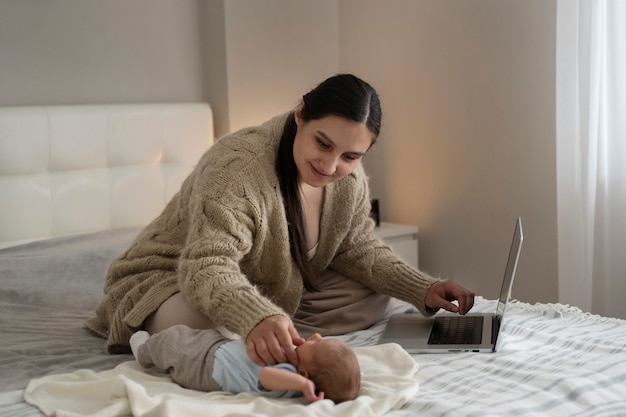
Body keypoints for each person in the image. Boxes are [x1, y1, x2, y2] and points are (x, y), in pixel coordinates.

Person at [85, 73, 475, 366]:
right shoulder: (236, 169)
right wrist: (256, 314)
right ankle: (260, 321)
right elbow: (206, 266)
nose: (331, 165)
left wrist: (424, 288)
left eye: (350, 156)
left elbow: (356, 247)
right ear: (301, 114)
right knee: (199, 323)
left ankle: (267, 324)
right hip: (173, 274)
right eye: (323, 143)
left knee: (376, 293)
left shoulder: (347, 177)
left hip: (269, 277)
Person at [129, 326, 360, 403]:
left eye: (315, 345)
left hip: (203, 365)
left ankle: (143, 351)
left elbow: (266, 375)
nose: (316, 336)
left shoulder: (289, 380)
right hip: (216, 349)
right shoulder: (293, 365)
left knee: (173, 340)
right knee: (191, 333)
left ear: (304, 373)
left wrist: (302, 385)